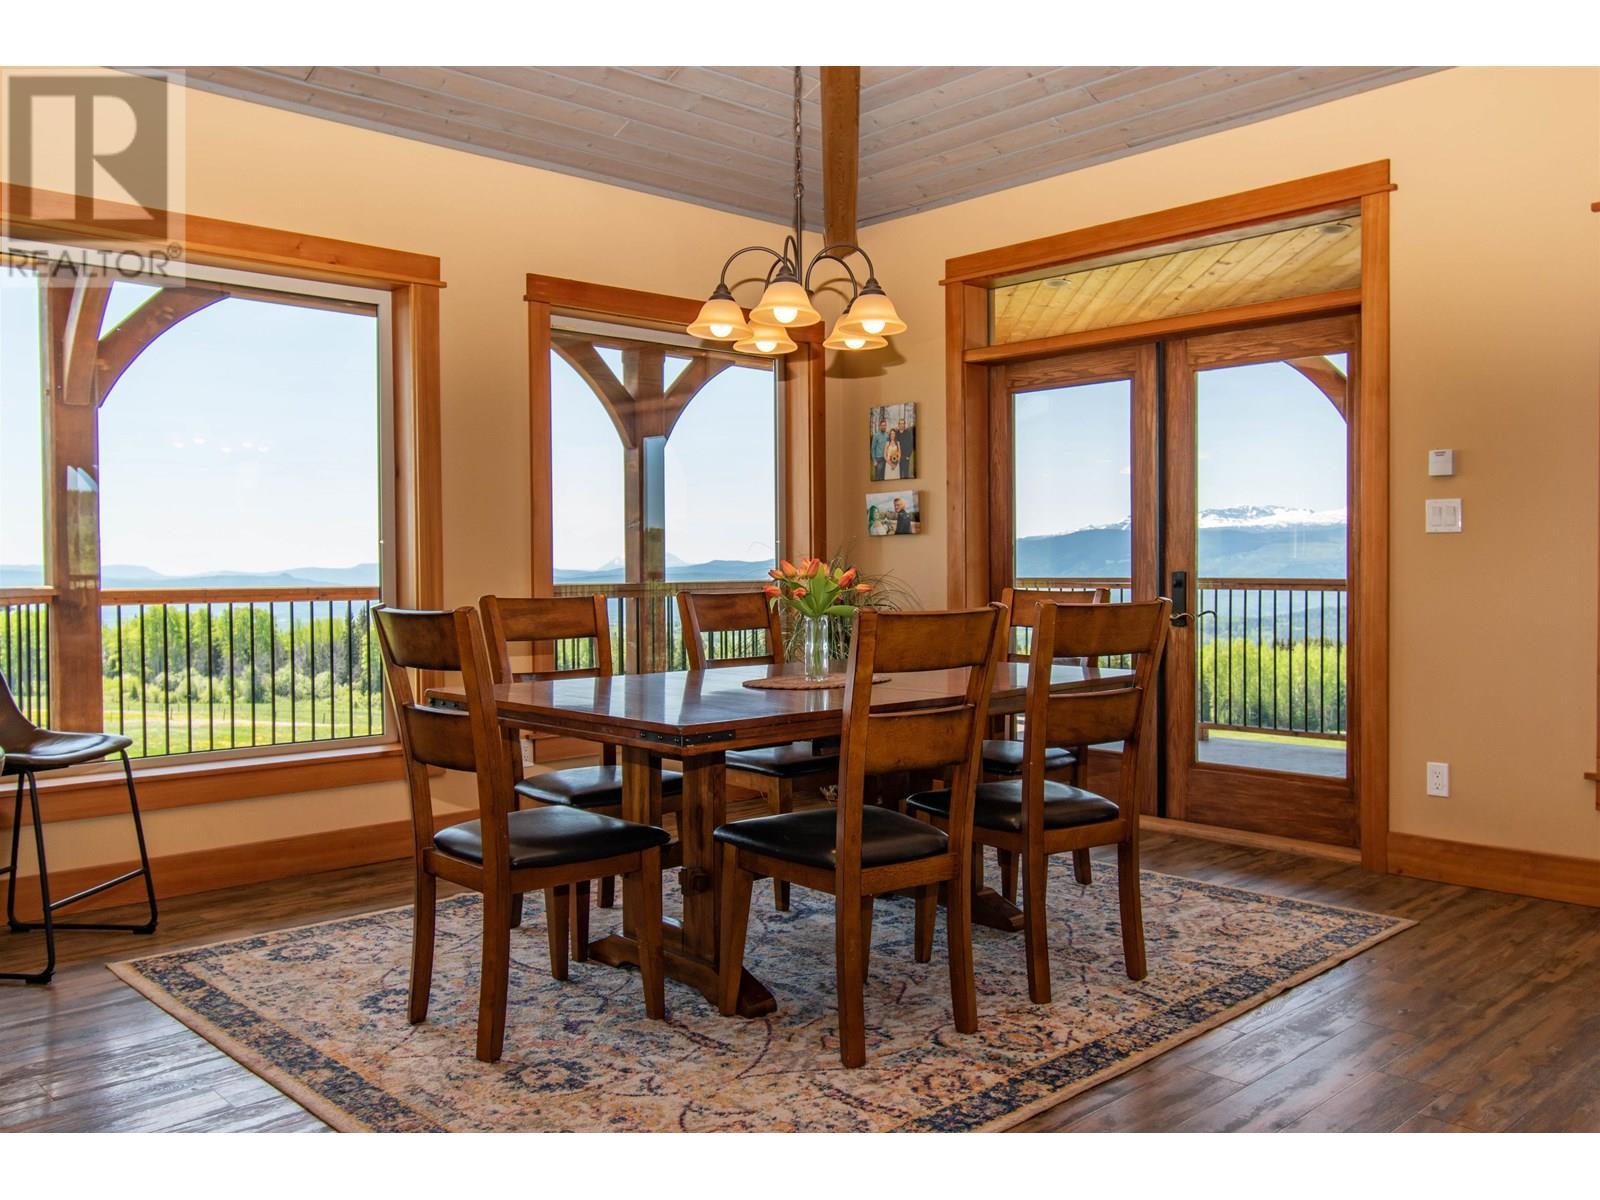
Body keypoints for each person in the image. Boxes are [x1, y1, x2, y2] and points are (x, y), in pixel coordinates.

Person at [870, 416, 889, 481]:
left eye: (885, 425)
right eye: (882, 425)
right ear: (880, 426)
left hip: (885, 458)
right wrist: (874, 460)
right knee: (878, 478)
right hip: (879, 459)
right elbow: (873, 448)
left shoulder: (887, 435)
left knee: (883, 477)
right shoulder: (876, 435)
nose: (884, 427)